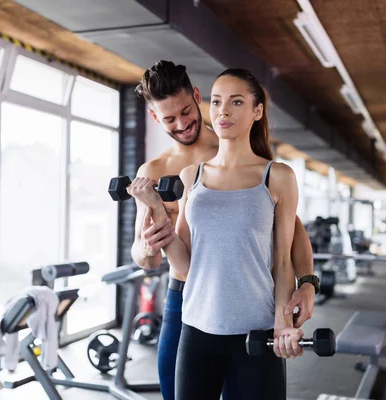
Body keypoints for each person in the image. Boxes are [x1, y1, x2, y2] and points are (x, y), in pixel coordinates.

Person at [131, 61, 318, 399]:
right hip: (186, 296)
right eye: (169, 119)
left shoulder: (240, 149)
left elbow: (290, 236)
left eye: (186, 111)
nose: (182, 123)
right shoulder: (157, 171)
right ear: (155, 118)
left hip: (246, 299)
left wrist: (306, 284)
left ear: (197, 98)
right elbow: (148, 257)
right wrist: (148, 246)